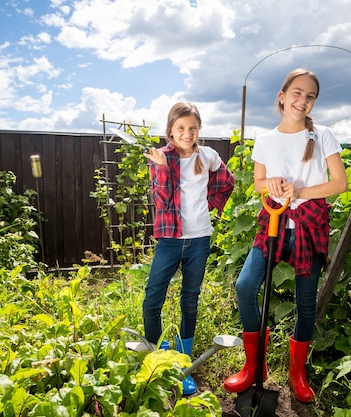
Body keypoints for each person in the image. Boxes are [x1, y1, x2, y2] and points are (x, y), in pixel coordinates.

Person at [223, 68, 347, 402]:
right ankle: (255, 366)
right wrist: (273, 184)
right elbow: (258, 183)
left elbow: (339, 183)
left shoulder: (323, 135)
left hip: (308, 226)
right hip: (274, 223)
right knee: (245, 286)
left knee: (305, 303)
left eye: (310, 96)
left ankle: (297, 372)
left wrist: (300, 189)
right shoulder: (265, 140)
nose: (302, 100)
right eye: (296, 93)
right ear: (282, 95)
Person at [142, 101, 235, 396]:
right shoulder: (161, 157)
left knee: (190, 299)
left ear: (199, 129)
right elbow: (163, 201)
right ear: (170, 129)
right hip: (170, 241)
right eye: (181, 128)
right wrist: (159, 169)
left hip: (199, 240)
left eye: (192, 128)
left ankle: (183, 363)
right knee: (152, 297)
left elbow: (226, 182)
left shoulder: (207, 156)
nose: (187, 133)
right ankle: (157, 355)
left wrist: (208, 205)